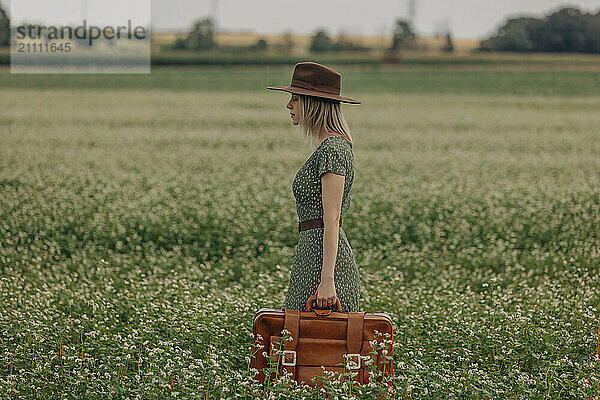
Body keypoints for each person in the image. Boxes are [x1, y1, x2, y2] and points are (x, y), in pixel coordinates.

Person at [267, 62, 362, 312]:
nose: (289, 105)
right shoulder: (326, 148)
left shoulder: (334, 149)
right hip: (310, 257)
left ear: (313, 103)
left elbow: (331, 220)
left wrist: (327, 281)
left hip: (324, 267)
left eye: (295, 99)